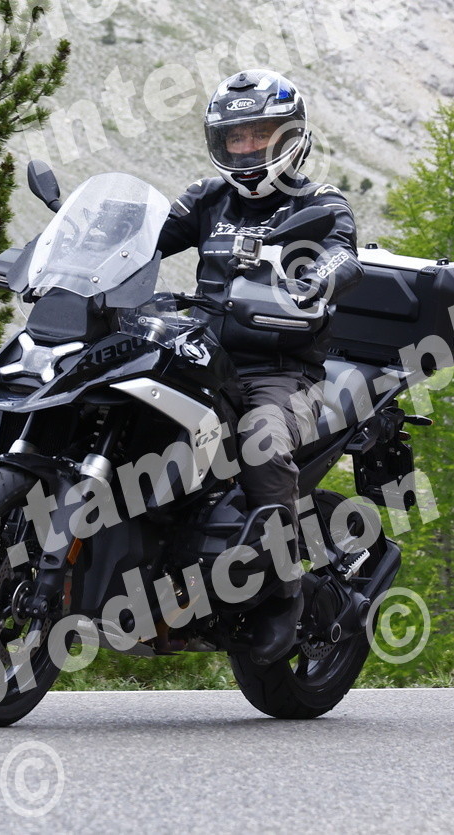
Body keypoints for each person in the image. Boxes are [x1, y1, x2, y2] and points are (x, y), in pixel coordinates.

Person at [156, 68, 364, 664]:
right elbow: (146, 239)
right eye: (235, 137)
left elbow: (343, 254)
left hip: (279, 371)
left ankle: (281, 592)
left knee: (262, 443)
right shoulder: (206, 198)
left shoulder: (318, 203)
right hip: (201, 355)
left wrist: (319, 278)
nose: (246, 148)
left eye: (260, 135)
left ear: (290, 136)